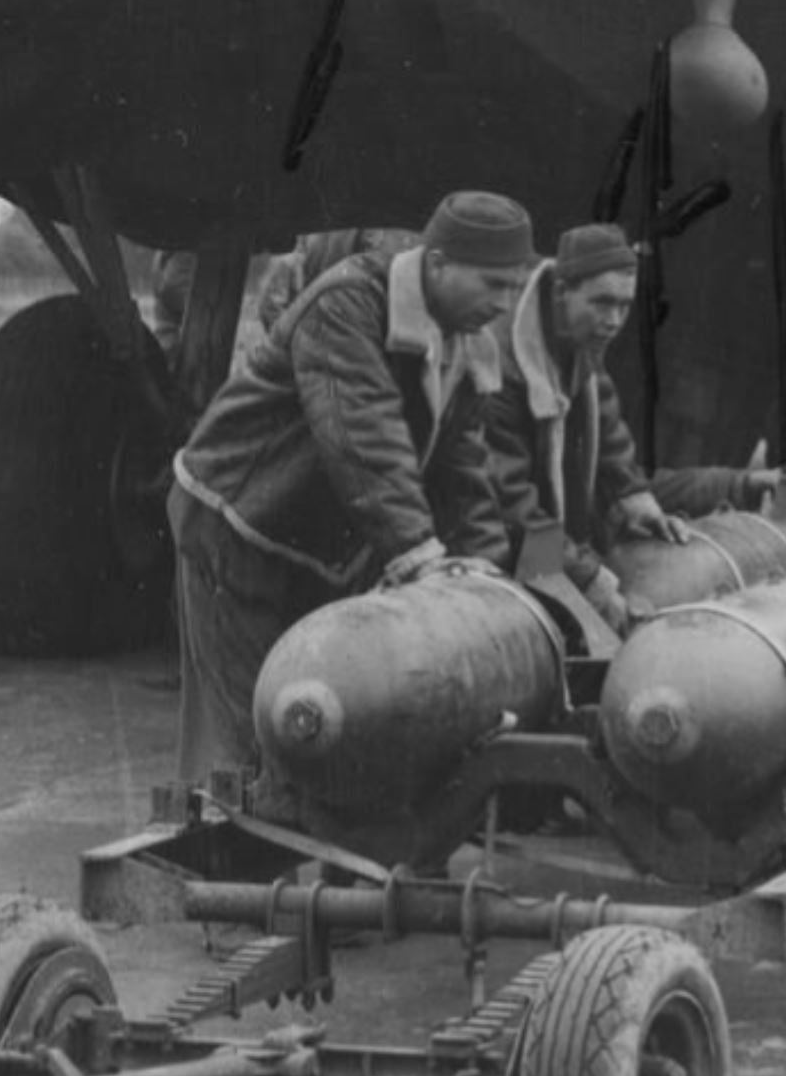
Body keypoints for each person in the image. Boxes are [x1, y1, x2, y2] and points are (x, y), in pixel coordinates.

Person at [168, 191, 533, 795]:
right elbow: (362, 433)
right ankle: (216, 873)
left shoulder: (469, 341)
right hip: (235, 523)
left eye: (513, 289)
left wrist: (484, 580)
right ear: (437, 263)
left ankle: (298, 864)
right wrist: (419, 553)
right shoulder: (347, 303)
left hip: (310, 540)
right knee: (250, 736)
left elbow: (466, 470)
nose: (501, 305)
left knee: (318, 723)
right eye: (491, 284)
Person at [485, 223, 786, 634]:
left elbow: (626, 477)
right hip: (507, 564)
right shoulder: (502, 369)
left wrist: (740, 484)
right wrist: (588, 581)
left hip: (550, 554)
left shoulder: (585, 359)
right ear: (562, 290)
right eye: (601, 302)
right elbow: (514, 512)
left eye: (623, 305)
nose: (614, 320)